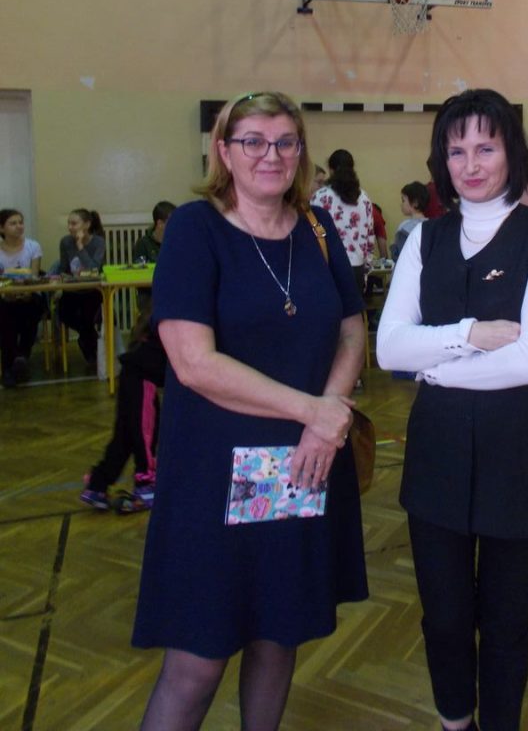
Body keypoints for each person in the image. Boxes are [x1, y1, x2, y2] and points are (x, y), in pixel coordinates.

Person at [132, 91, 367, 731]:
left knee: (277, 635)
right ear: (224, 150)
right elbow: (193, 363)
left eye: (285, 141)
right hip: (212, 476)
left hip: (302, 466)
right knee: (197, 660)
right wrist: (314, 410)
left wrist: (326, 416)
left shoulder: (317, 228)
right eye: (253, 141)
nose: (271, 155)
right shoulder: (195, 229)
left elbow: (352, 330)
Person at [376, 88, 528, 731]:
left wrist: (435, 366)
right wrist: (471, 334)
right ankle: (454, 720)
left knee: (506, 620)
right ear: (442, 159)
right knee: (444, 617)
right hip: (436, 458)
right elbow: (388, 347)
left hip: (519, 457)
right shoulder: (424, 240)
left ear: (510, 152)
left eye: (485, 148)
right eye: (456, 150)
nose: (470, 164)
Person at [79, 316, 167, 512]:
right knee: (145, 434)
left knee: (124, 438)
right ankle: (146, 487)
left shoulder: (154, 326)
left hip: (130, 378)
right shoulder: (168, 324)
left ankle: (97, 485)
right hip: (142, 383)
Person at [311, 148, 374, 296]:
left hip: (329, 267)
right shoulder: (364, 198)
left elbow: (311, 233)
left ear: (331, 170)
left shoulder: (320, 196)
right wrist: (366, 270)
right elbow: (369, 237)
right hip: (356, 267)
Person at [0, 208, 45, 387]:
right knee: (5, 313)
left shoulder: (33, 246)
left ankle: (21, 357)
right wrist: (7, 294)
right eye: (13, 223)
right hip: (4, 297)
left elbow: (34, 276)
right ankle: (10, 365)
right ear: (2, 228)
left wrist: (26, 292)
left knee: (31, 307)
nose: (19, 226)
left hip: (29, 294)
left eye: (20, 222)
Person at [58, 208, 106, 367]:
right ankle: (89, 340)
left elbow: (93, 269)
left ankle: (88, 347)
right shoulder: (65, 242)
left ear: (86, 224)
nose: (70, 227)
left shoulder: (98, 242)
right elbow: (63, 269)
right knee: (64, 313)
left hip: (92, 291)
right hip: (72, 291)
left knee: (87, 316)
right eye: (69, 223)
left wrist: (80, 247)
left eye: (74, 223)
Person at [131, 201, 177, 318]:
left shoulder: (177, 242)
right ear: (160, 223)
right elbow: (139, 273)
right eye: (172, 222)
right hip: (149, 293)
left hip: (173, 290)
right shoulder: (143, 244)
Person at [391, 180, 429, 262]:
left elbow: (398, 255)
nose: (401, 204)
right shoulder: (431, 226)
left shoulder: (404, 227)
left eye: (403, 200)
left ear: (415, 203)